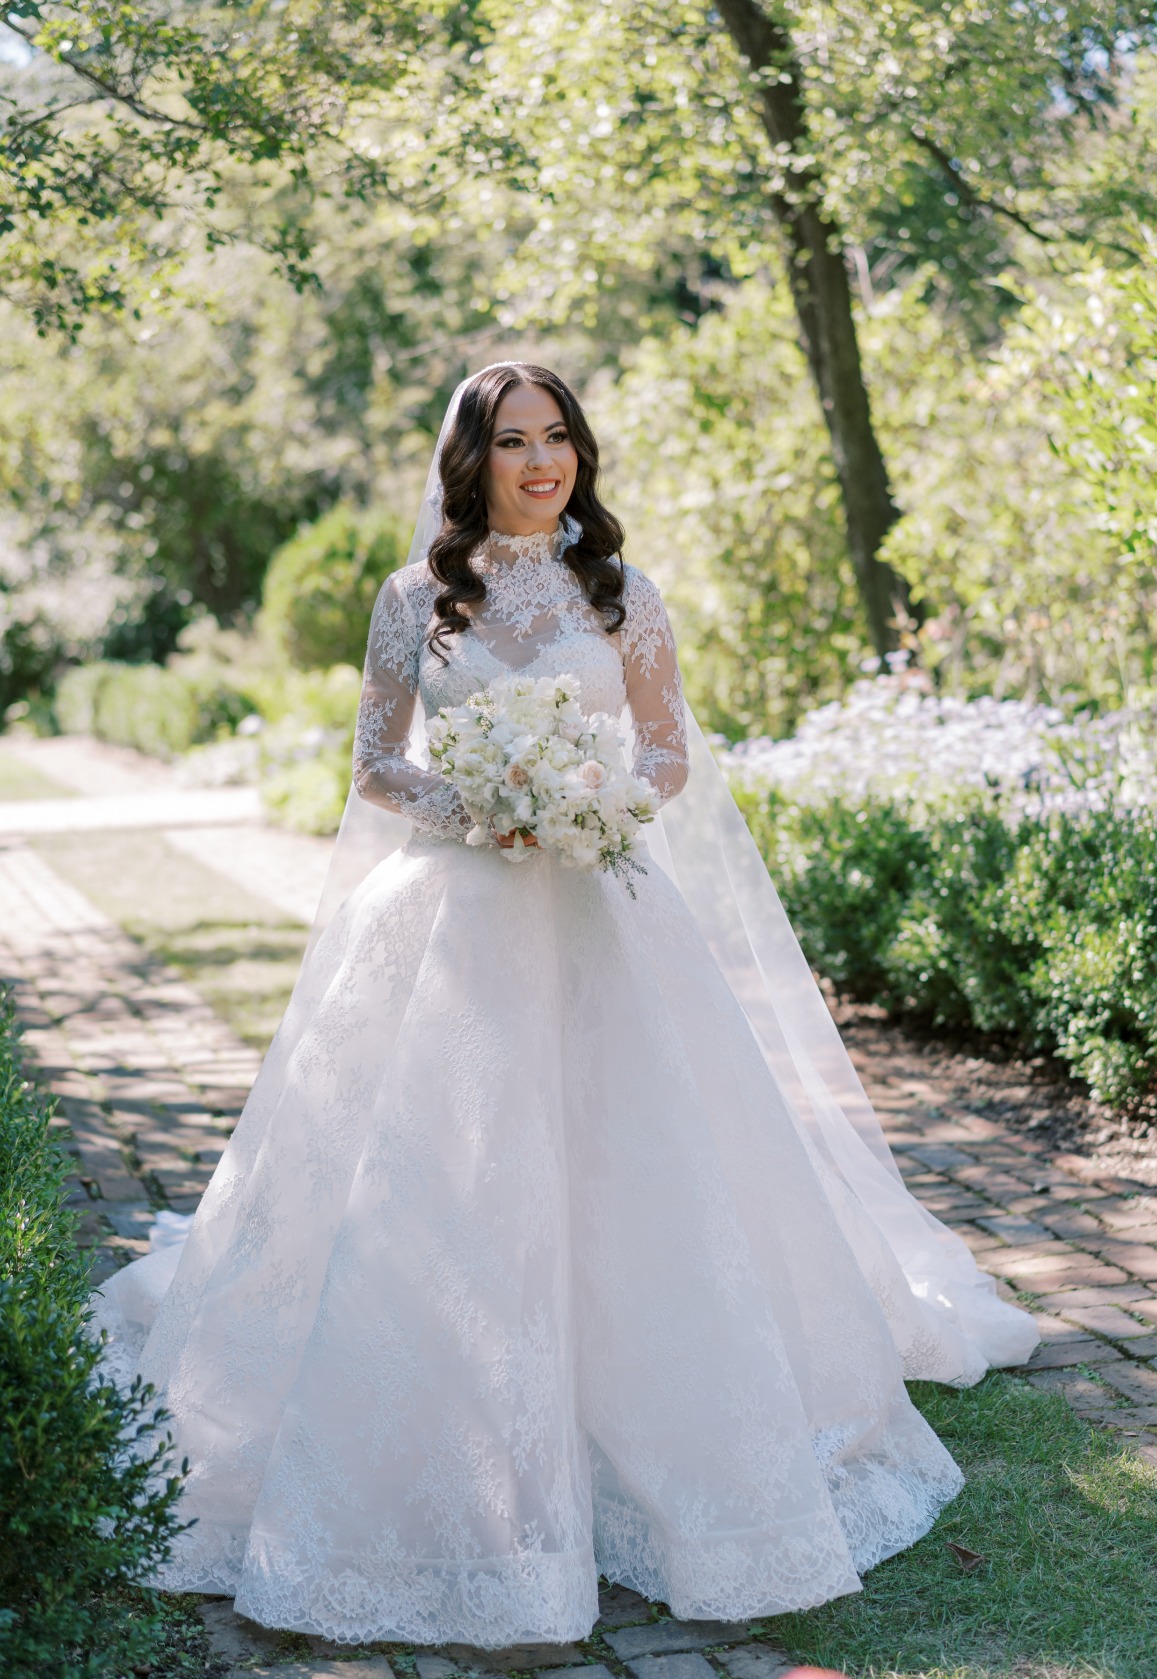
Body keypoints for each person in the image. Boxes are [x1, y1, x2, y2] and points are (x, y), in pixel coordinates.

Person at [96, 362, 1037, 1650]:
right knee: (443, 1180)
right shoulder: (414, 600)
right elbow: (375, 764)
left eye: (559, 440)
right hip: (451, 922)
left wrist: (589, 799)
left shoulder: (624, 594)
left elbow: (668, 752)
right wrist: (480, 803)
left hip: (603, 906)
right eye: (513, 443)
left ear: (580, 455)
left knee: (639, 1170)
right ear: (469, 460)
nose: (542, 465)